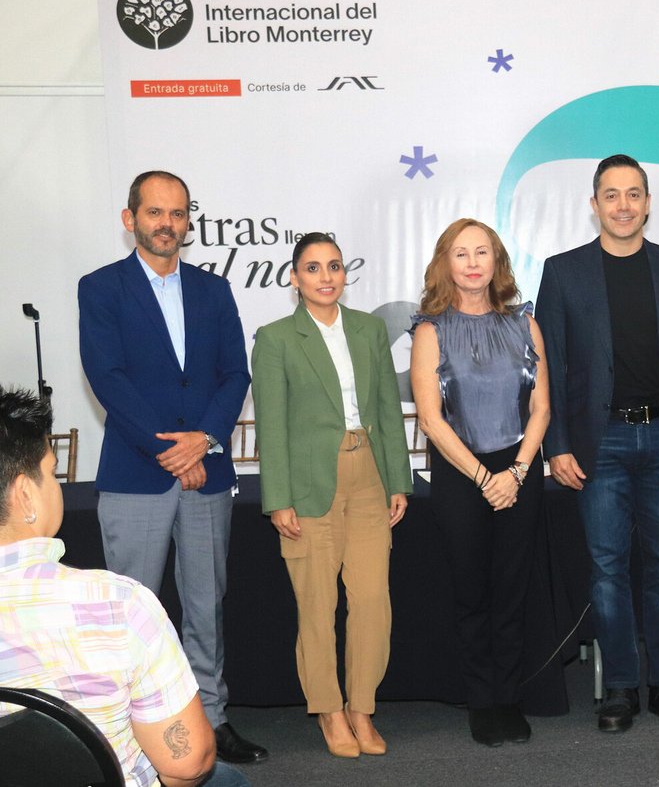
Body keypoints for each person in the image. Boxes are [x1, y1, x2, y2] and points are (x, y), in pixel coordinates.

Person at [78, 170, 266, 762]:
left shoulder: (214, 291)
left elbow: (235, 373)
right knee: (134, 612)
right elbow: (106, 378)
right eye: (155, 212)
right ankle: (132, 733)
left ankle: (211, 718)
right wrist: (169, 450)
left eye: (179, 214)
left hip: (207, 472)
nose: (168, 224)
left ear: (190, 221)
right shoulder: (101, 287)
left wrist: (205, 439)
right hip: (137, 474)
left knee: (206, 605)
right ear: (130, 218)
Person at [536, 154, 659, 733]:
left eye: (634, 194)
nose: (623, 205)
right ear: (594, 205)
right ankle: (617, 689)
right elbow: (551, 367)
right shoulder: (563, 273)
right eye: (611, 195)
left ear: (648, 203)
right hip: (598, 442)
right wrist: (557, 443)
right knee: (607, 571)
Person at [0, 386, 249, 787]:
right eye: (51, 471)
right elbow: (188, 765)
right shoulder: (119, 605)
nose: (57, 484)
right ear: (25, 495)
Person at [250, 233, 412, 758]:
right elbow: (270, 425)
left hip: (369, 476)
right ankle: (329, 711)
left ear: (345, 274)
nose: (326, 276)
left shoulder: (369, 329)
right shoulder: (274, 339)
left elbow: (389, 409)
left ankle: (362, 707)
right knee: (317, 607)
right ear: (294, 278)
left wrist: (398, 481)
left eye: (335, 266)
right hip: (308, 484)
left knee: (371, 602)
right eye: (314, 268)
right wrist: (278, 497)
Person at [409, 218, 550, 747]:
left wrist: (515, 472)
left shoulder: (525, 324)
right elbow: (431, 419)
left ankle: (509, 697)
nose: (472, 262)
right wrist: (484, 477)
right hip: (460, 476)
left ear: (497, 262)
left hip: (519, 472)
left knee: (513, 590)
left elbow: (541, 407)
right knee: (471, 593)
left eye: (482, 252)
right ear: (446, 263)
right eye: (461, 253)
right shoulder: (430, 329)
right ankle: (481, 700)